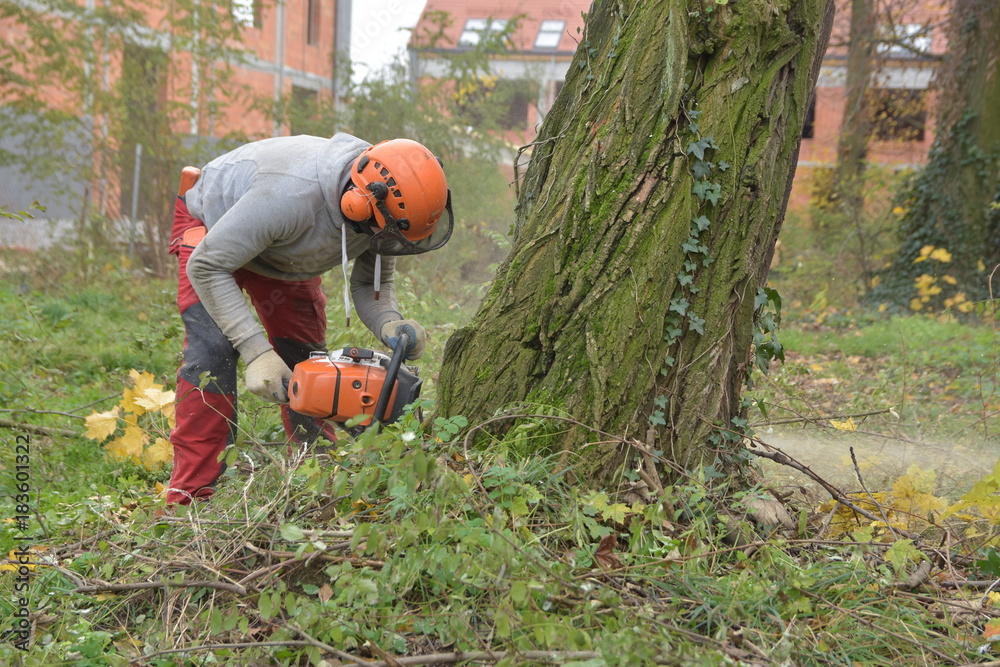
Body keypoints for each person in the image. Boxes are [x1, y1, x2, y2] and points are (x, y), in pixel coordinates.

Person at [165, 133, 453, 505]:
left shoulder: (389, 208)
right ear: (355, 204)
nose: (386, 241)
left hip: (281, 249)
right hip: (213, 231)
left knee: (306, 357)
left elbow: (371, 284)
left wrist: (389, 322)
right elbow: (206, 266)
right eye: (385, 232)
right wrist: (256, 352)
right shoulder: (289, 196)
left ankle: (312, 474)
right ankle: (189, 497)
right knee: (213, 354)